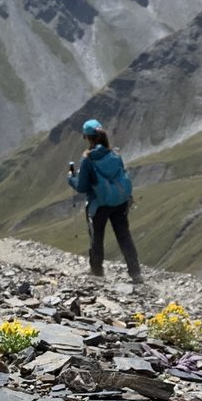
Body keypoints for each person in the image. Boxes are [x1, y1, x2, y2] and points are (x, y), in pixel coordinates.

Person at [68, 119, 142, 284]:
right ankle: (135, 272)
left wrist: (71, 177)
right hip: (120, 202)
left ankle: (97, 272)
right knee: (124, 236)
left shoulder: (88, 160)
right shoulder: (115, 154)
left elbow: (81, 186)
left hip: (99, 205)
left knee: (97, 238)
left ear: (88, 137)